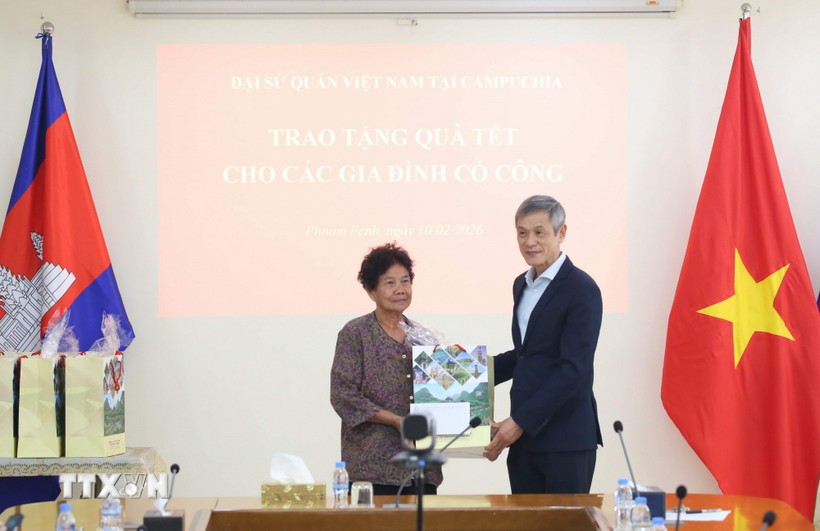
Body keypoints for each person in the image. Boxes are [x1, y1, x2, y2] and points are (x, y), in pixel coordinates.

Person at [483, 195, 603, 494]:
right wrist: (468, 373)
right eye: (522, 233)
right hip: (525, 442)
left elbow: (573, 369)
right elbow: (526, 356)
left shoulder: (582, 289)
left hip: (566, 439)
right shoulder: (521, 284)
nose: (529, 241)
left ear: (561, 233)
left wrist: (520, 420)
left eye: (539, 232)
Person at [330, 242, 443, 496]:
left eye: (405, 281)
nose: (400, 290)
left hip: (421, 470)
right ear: (371, 290)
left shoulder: (423, 337)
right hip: (372, 470)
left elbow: (442, 393)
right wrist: (394, 420)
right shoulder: (355, 333)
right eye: (390, 283)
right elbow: (342, 395)